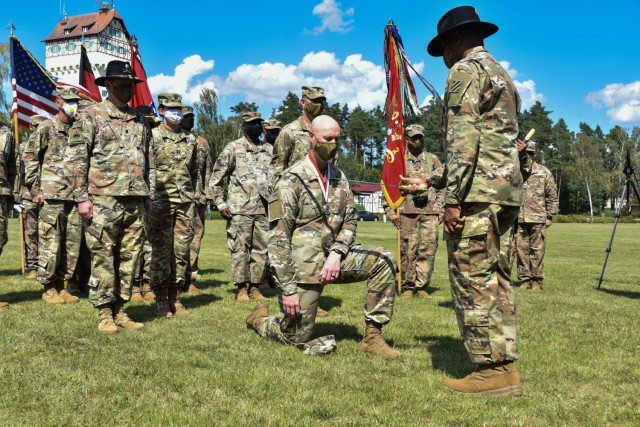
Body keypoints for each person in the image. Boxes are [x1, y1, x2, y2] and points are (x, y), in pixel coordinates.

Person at [403, 6, 524, 395]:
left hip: (475, 197)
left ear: (456, 40)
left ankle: (490, 371)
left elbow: (464, 140)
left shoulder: (465, 72)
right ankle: (504, 366)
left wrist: (451, 198)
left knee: (472, 278)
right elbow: (494, 144)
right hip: (503, 195)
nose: (445, 60)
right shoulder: (502, 74)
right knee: (497, 279)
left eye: (444, 50)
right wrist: (432, 179)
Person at [246, 115, 400, 358]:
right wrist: (288, 289)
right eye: (327, 138)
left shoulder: (339, 177)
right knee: (295, 336)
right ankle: (260, 320)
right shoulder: (290, 181)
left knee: (383, 259)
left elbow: (350, 219)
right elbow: (277, 240)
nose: (333, 144)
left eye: (337, 139)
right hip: (303, 269)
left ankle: (373, 337)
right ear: (312, 138)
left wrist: (337, 253)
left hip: (333, 260)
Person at [68, 60, 151, 333]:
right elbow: (77, 159)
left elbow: (147, 159)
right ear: (109, 86)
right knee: (103, 255)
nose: (128, 89)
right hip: (103, 198)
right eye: (123, 85)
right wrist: (81, 197)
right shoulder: (90, 116)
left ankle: (121, 310)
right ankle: (104, 312)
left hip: (135, 198)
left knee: (130, 257)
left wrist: (147, 192)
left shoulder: (140, 120)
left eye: (131, 84)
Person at [270, 86, 330, 317]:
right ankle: (287, 298)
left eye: (322, 100)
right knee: (289, 251)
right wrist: (276, 203)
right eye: (315, 100)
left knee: (317, 251)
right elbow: (277, 168)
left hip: (319, 201)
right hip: (293, 200)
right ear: (303, 101)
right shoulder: (290, 132)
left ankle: (313, 299)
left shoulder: (325, 129)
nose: (319, 104)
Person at [24, 86, 84, 305]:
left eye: (76, 101)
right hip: (51, 195)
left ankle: (63, 284)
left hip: (76, 196)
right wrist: (35, 189)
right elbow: (30, 157)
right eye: (69, 101)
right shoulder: (46, 128)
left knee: (72, 244)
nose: (73, 105)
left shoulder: (80, 129)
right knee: (50, 242)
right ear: (58, 102)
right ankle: (48, 287)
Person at [209, 112, 271, 302]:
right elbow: (215, 180)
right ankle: (241, 288)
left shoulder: (269, 149)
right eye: (252, 124)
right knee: (239, 250)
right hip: (239, 210)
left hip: (264, 209)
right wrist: (220, 204)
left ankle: (255, 287)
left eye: (259, 123)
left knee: (261, 251)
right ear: (244, 127)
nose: (257, 127)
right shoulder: (233, 148)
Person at [147, 93, 198, 317]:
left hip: (185, 201)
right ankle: (160, 298)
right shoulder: (152, 137)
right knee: (160, 250)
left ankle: (175, 297)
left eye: (179, 108)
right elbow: (146, 169)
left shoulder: (191, 140)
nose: (176, 113)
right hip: (160, 201)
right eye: (171, 109)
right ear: (162, 111)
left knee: (180, 251)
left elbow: (194, 171)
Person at [383, 124, 443, 299]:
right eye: (414, 137)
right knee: (408, 250)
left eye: (420, 137)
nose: (418, 141)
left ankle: (422, 286)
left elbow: (442, 186)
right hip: (407, 212)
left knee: (428, 250)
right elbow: (386, 186)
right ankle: (408, 285)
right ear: (406, 139)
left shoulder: (433, 160)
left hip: (430, 213)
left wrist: (439, 209)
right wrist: (391, 212)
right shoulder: (398, 161)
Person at [516, 141, 558, 291]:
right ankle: (524, 279)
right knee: (521, 250)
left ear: (535, 154)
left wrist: (550, 216)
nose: (529, 156)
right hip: (519, 217)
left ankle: (536, 280)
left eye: (531, 153)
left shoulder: (544, 172)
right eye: (527, 153)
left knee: (537, 250)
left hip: (538, 217)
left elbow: (552, 195)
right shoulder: (517, 170)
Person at [131, 105, 160, 303]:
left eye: (151, 124)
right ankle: (132, 287)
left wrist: (151, 196)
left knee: (149, 245)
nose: (149, 127)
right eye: (146, 123)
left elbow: (153, 170)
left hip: (149, 198)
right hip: (131, 197)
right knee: (133, 245)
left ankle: (147, 284)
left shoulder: (156, 142)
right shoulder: (132, 139)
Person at [181, 105, 212, 293]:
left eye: (192, 117)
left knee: (196, 237)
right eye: (186, 117)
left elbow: (207, 170)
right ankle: (174, 278)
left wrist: (208, 193)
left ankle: (191, 276)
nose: (190, 120)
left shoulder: (202, 142)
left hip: (197, 197)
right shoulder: (173, 139)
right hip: (178, 197)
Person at [19, 115, 46, 279]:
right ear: (30, 127)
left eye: (40, 125)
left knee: (47, 231)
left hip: (48, 192)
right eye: (35, 126)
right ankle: (32, 266)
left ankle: (45, 265)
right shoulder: (24, 146)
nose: (38, 128)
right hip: (29, 194)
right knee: (31, 231)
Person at [0, 121, 16, 309]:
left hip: (1, 193)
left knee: (1, 239)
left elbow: (12, 165)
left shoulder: (6, 131)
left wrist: (12, 195)